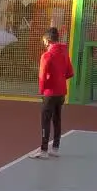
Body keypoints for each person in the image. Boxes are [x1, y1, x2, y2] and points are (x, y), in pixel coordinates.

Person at [32, 27, 73, 159]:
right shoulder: (64, 53)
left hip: (49, 93)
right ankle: (55, 148)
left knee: (45, 120)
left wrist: (41, 91)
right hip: (61, 93)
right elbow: (69, 73)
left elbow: (42, 76)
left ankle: (44, 151)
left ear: (47, 40)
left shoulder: (46, 55)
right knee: (57, 119)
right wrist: (59, 79)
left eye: (44, 40)